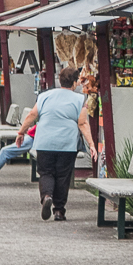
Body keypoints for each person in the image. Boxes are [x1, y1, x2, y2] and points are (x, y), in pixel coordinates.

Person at [28, 66, 95, 220]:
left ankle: (46, 196)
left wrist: (21, 132)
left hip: (45, 142)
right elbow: (83, 124)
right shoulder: (79, 99)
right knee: (63, 176)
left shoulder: (45, 96)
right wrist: (91, 144)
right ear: (74, 82)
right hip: (67, 143)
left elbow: (32, 114)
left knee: (46, 172)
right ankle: (59, 211)